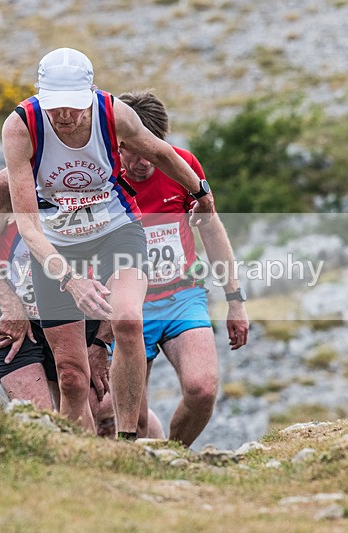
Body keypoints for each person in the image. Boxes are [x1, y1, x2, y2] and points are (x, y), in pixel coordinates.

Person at [1, 48, 214, 438]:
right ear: (39, 96)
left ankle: (130, 439)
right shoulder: (20, 127)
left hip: (115, 229)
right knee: (71, 376)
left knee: (128, 319)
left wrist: (200, 191)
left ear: (91, 93)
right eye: (55, 107)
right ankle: (75, 459)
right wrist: (71, 280)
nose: (64, 116)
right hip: (55, 245)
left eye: (74, 107)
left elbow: (162, 152)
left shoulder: (114, 113)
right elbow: (29, 227)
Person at [117, 90, 250, 446]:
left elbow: (211, 229)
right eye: (137, 150)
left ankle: (173, 455)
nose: (147, 161)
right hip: (129, 306)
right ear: (119, 144)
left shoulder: (182, 166)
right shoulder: (104, 178)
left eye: (155, 148)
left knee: (202, 390)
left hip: (181, 296)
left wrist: (235, 300)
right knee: (135, 422)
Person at [0, 170, 113, 411]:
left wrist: (101, 340)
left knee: (90, 406)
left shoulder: (101, 174)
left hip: (75, 312)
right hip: (11, 313)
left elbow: (127, 262)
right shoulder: (9, 182)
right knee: (37, 416)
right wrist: (11, 306)